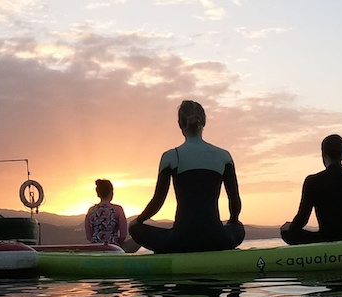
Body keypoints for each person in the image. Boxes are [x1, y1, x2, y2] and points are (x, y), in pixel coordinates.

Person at [129, 100, 245, 254]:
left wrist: (138, 220)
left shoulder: (170, 156)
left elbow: (158, 201)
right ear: (204, 122)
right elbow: (234, 201)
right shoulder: (224, 156)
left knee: (135, 228)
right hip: (218, 239)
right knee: (239, 228)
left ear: (180, 124)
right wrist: (233, 221)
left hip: (180, 240)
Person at [281, 134, 342, 244]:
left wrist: (290, 227)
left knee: (287, 232)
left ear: (323, 154)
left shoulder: (312, 181)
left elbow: (302, 219)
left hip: (326, 238)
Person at [84, 179, 129, 246]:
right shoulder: (118, 210)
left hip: (96, 246)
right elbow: (123, 235)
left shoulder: (91, 211)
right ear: (111, 192)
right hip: (113, 246)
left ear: (98, 194)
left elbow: (89, 236)